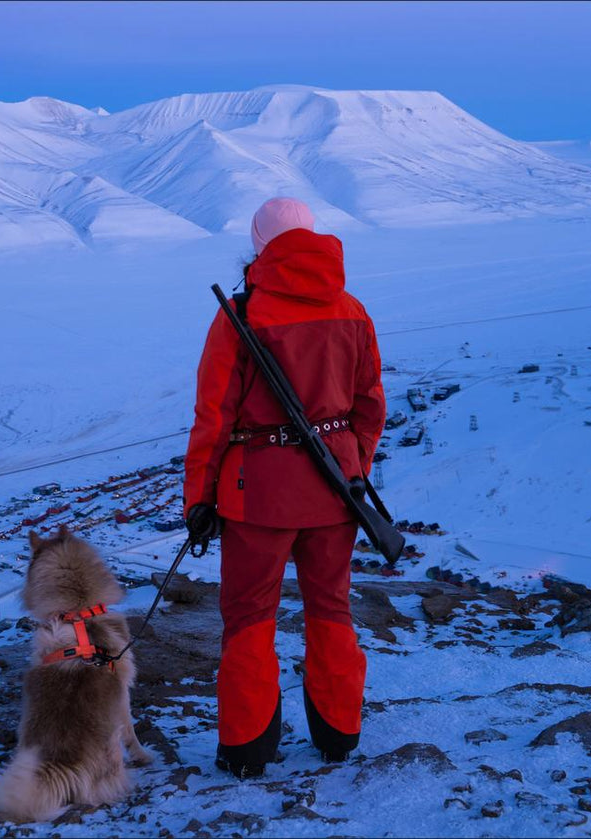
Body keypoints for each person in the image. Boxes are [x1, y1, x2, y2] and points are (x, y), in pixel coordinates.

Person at [182, 197, 386, 779]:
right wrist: (351, 465)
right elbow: (370, 407)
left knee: (249, 617)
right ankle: (339, 735)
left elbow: (213, 417)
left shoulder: (241, 316)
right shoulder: (353, 310)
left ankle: (248, 750)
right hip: (335, 490)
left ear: (258, 246)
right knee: (331, 608)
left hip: (257, 494)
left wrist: (200, 496)